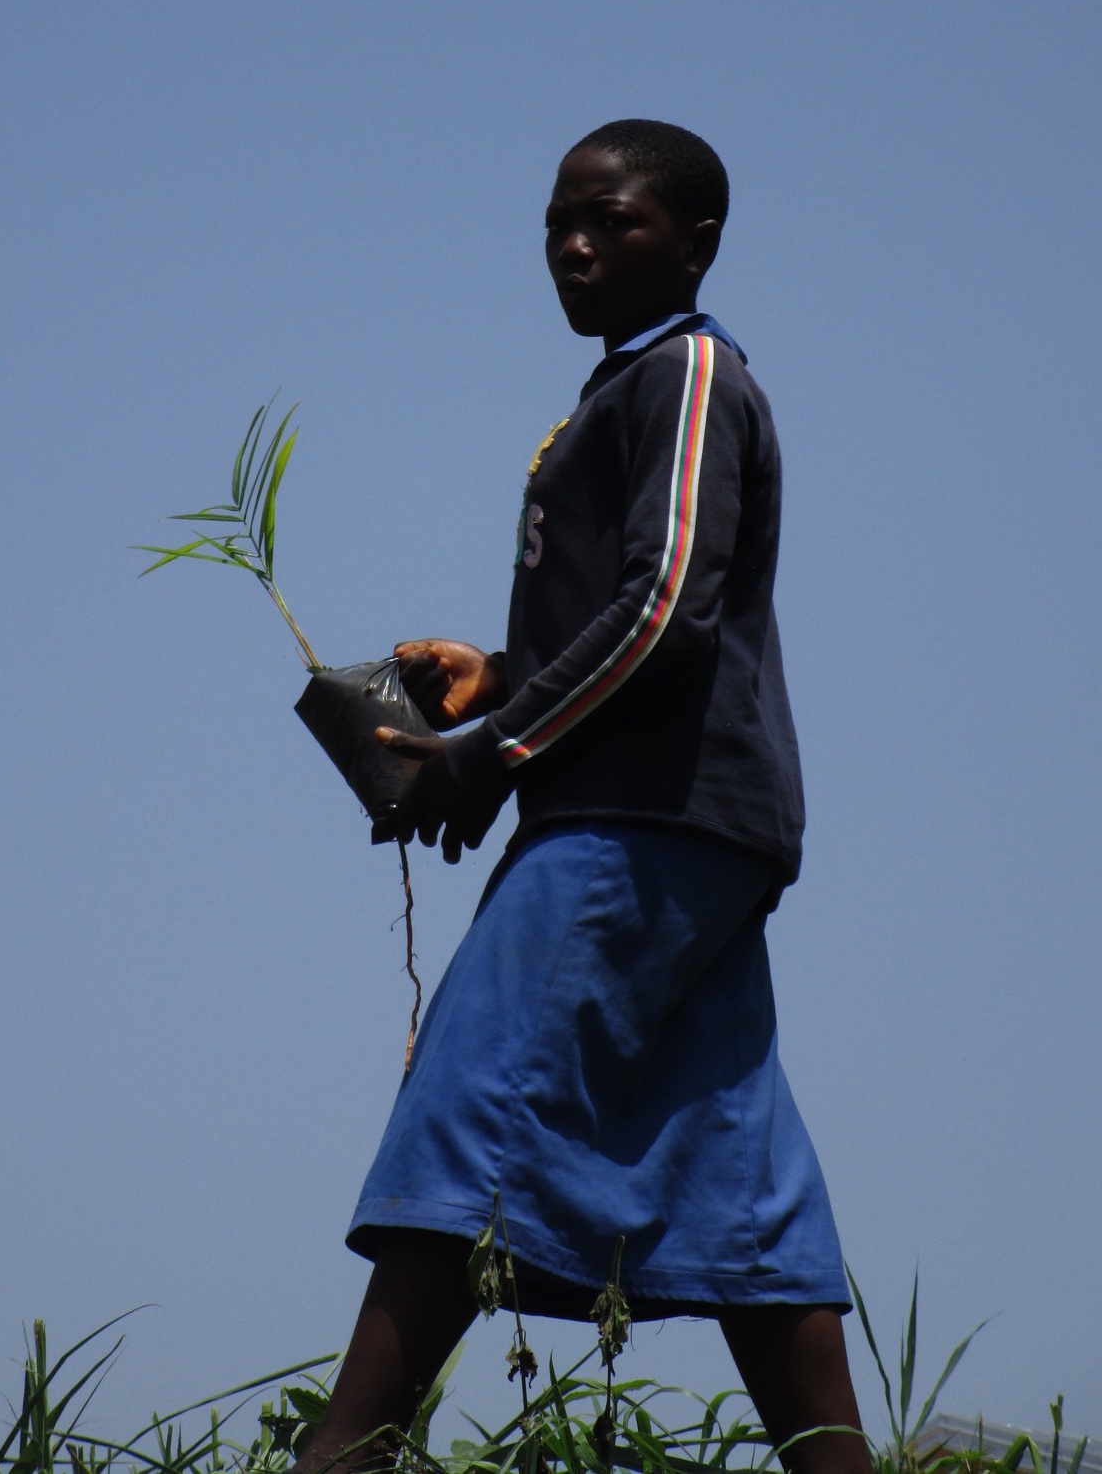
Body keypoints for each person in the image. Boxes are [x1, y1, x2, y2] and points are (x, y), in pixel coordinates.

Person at [294, 120, 869, 1474]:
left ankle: (340, 1455)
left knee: (470, 1108)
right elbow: (638, 621)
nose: (574, 246)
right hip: (686, 828)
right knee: (740, 1186)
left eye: (610, 221)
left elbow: (666, 610)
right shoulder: (620, 391)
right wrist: (491, 684)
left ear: (695, 241)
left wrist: (492, 751)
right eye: (557, 222)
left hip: (635, 825)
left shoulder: (687, 370)